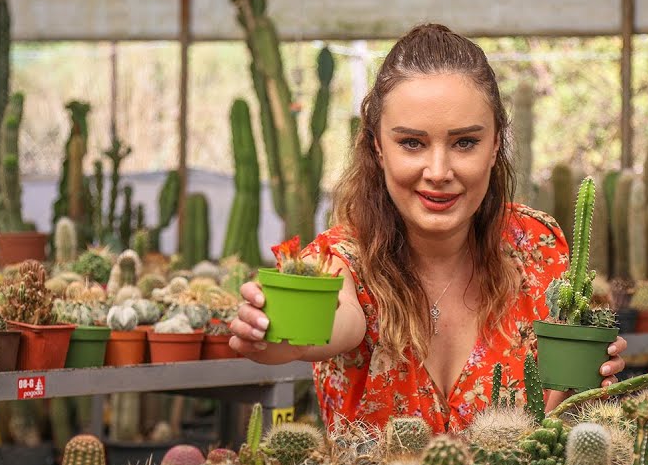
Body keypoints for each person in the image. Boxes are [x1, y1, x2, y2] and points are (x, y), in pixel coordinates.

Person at [230, 23, 627, 435]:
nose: (438, 173)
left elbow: (557, 409)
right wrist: (273, 335)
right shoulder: (339, 261)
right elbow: (333, 323)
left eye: (465, 143)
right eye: (412, 144)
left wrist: (589, 376)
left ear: (495, 145)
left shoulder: (536, 244)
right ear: (378, 147)